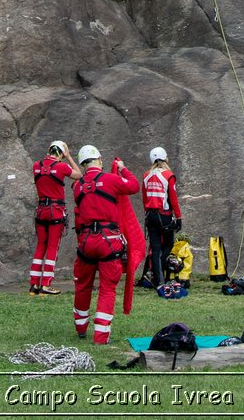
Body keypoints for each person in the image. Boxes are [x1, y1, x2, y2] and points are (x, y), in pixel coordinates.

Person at [72, 145, 140, 343]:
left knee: (83, 285)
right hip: (108, 241)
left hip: (86, 241)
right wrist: (122, 168)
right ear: (99, 159)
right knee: (107, 288)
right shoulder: (110, 179)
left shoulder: (77, 187)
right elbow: (133, 186)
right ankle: (101, 335)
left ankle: (81, 327)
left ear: (83, 164)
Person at [29, 139, 82, 295]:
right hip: (55, 211)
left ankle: (34, 285)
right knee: (52, 247)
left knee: (40, 246)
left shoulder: (36, 166)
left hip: (41, 210)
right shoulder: (62, 167)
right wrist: (69, 157)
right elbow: (79, 175)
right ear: (61, 153)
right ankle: (46, 284)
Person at [142, 146, 182, 291]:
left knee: (156, 249)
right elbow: (173, 199)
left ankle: (157, 278)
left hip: (150, 215)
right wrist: (179, 217)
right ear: (165, 158)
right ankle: (158, 275)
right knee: (169, 244)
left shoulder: (146, 175)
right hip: (164, 215)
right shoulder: (168, 175)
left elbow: (144, 198)